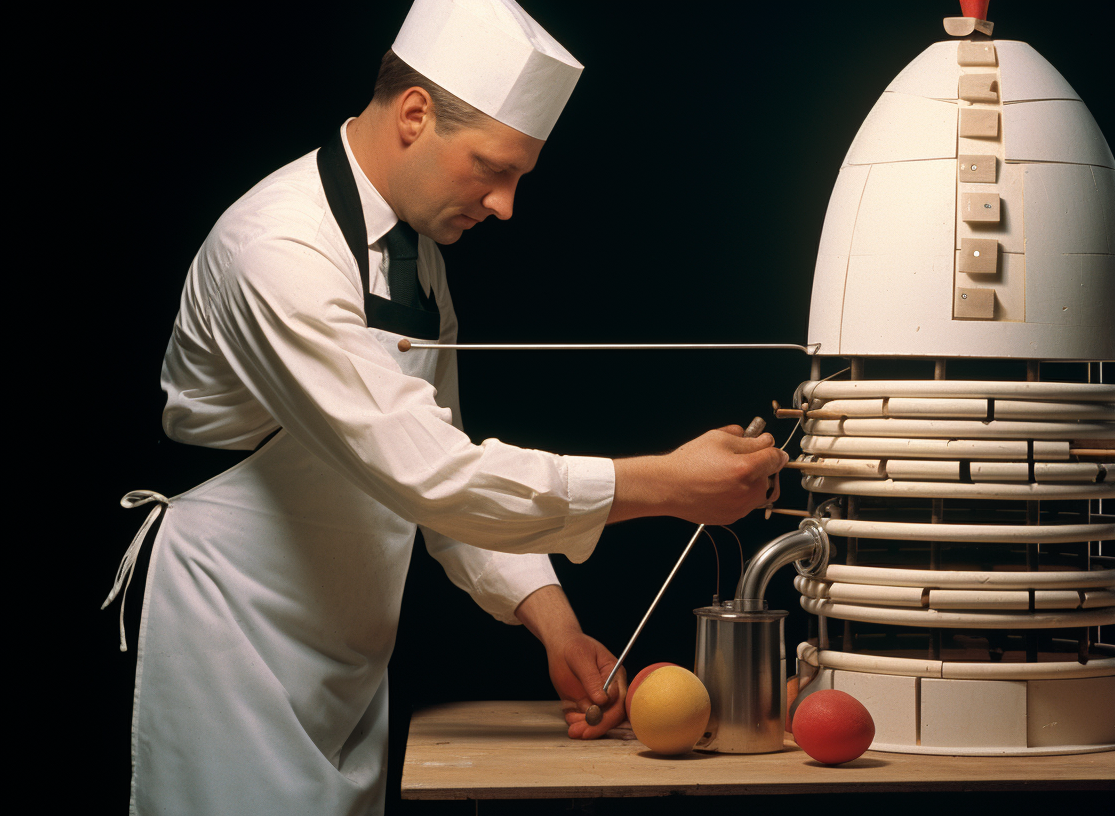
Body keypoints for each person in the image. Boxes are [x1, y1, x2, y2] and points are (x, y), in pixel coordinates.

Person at [102, 1, 787, 813]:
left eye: (519, 178)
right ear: (416, 115)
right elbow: (431, 476)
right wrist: (668, 487)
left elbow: (441, 455)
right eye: (493, 169)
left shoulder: (417, 258)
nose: (504, 205)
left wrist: (553, 623)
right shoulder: (277, 249)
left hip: (346, 656)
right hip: (226, 633)